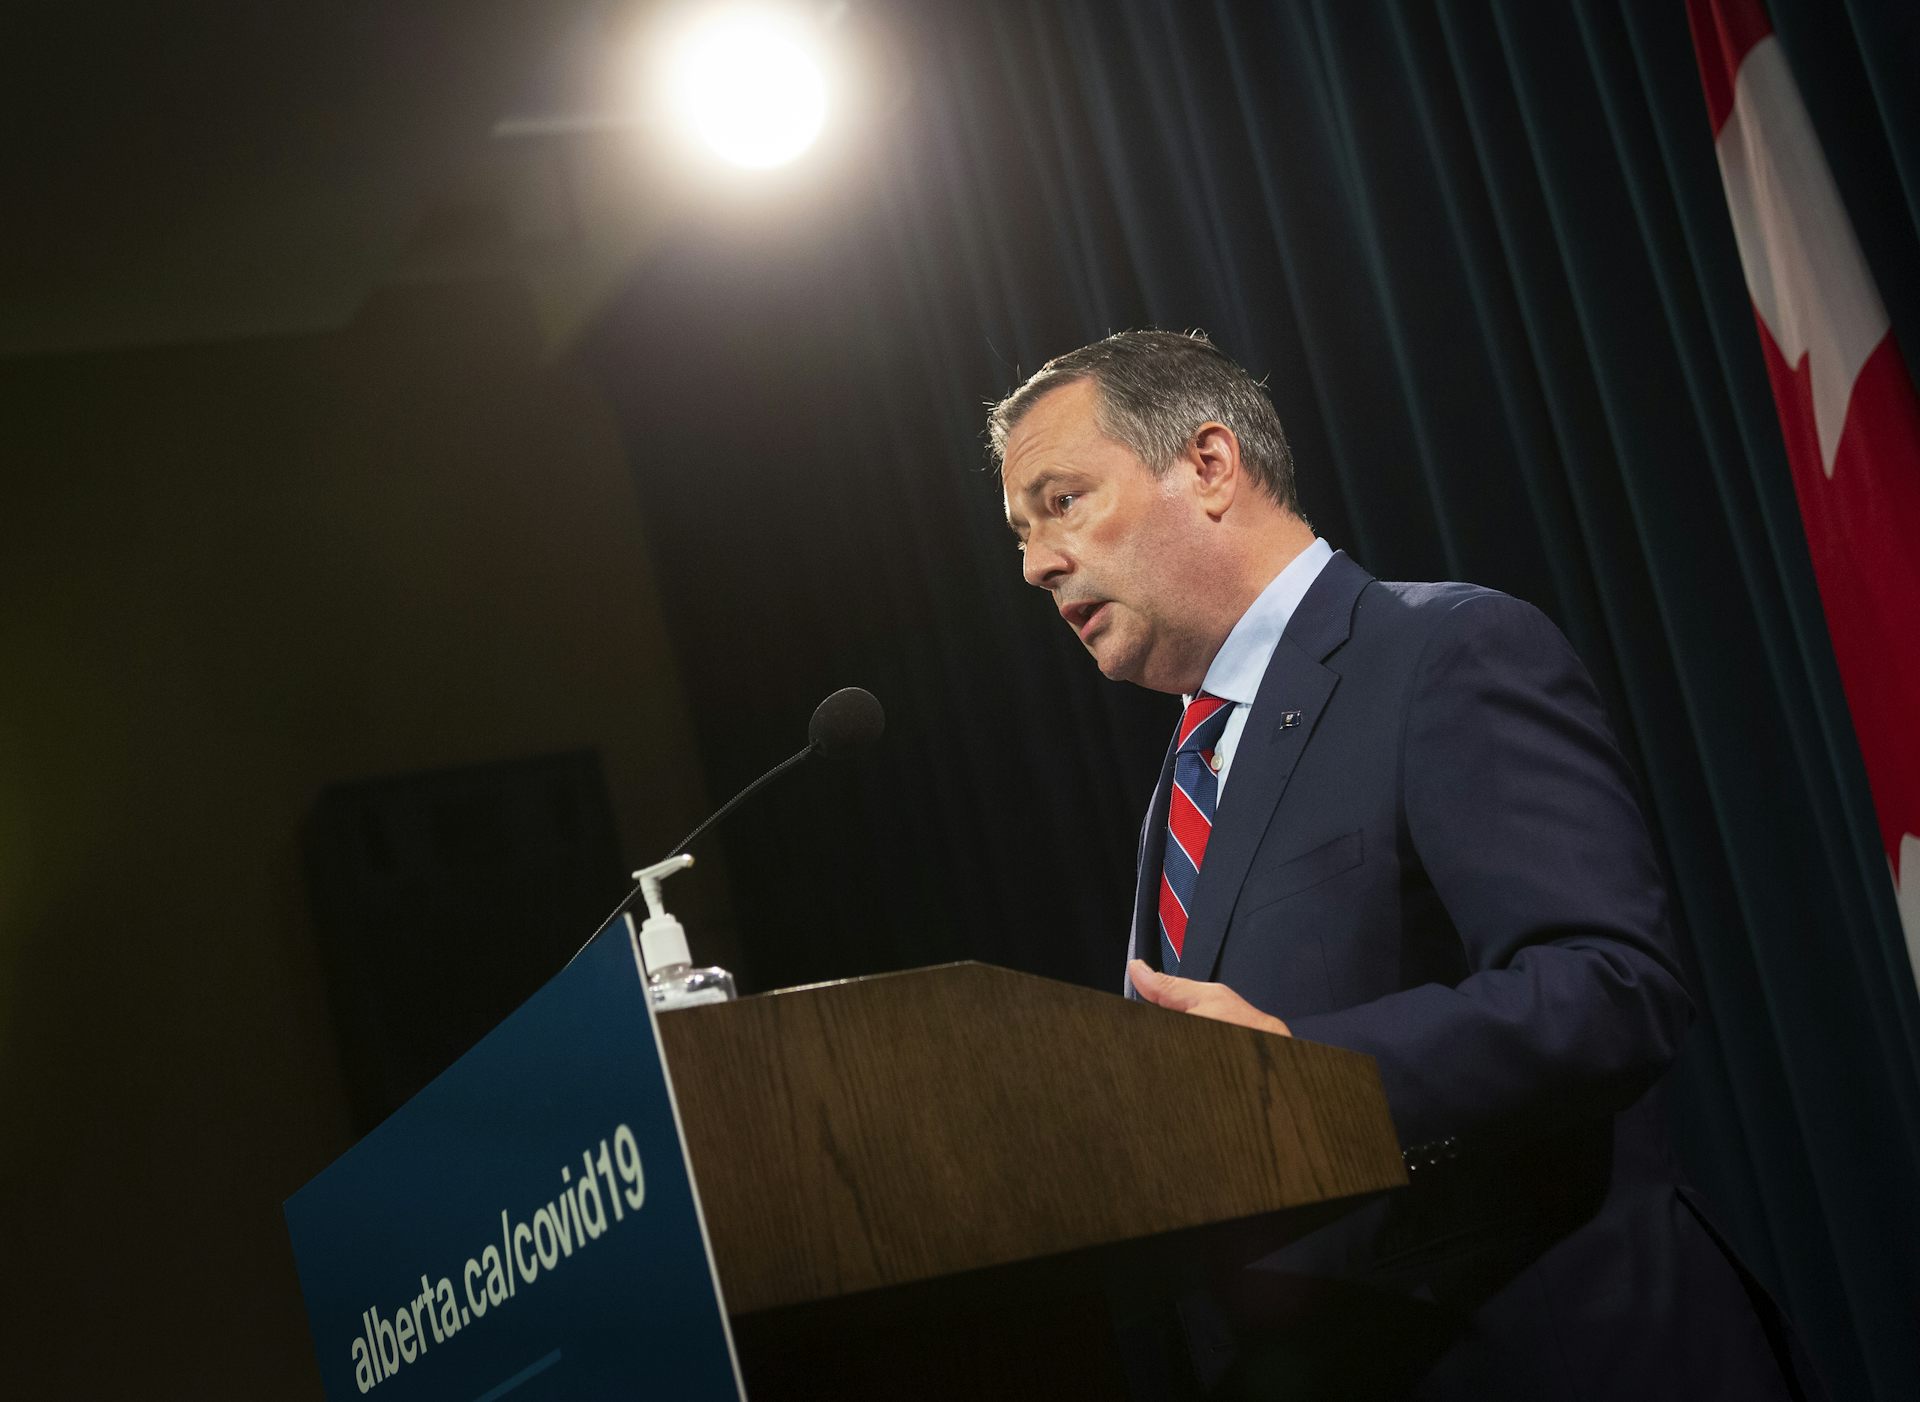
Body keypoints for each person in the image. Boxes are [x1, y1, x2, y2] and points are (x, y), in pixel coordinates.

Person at [989, 331, 1817, 1400]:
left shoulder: (1445, 653)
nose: (1034, 562)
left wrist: (1307, 1073)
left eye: (1061, 502)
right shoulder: (1185, 781)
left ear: (1207, 464)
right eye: (1019, 531)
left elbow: (1613, 985)